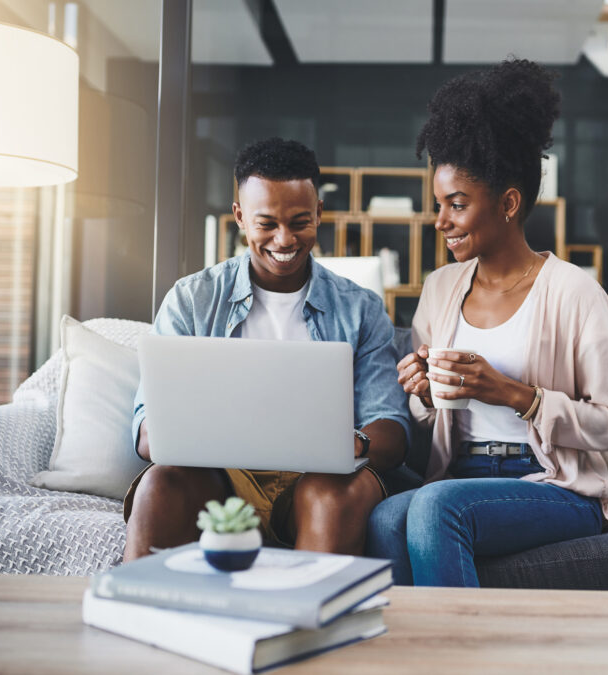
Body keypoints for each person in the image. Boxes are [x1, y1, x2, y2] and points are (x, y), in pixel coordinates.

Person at [365, 59, 608, 587]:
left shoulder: (574, 292)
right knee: (383, 518)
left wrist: (520, 396)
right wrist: (420, 391)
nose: (440, 220)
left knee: (433, 509)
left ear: (508, 203)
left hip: (552, 484)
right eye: (438, 204)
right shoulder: (442, 288)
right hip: (460, 471)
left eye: (457, 204)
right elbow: (429, 423)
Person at [124, 138, 409, 562]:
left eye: (300, 222)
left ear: (318, 214)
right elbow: (148, 433)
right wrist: (181, 433)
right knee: (159, 484)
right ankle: (139, 621)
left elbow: (392, 427)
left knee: (331, 492)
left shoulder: (360, 308)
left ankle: (306, 623)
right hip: (217, 480)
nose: (284, 239)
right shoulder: (192, 299)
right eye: (267, 224)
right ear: (239, 216)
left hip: (319, 480)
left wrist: (355, 442)